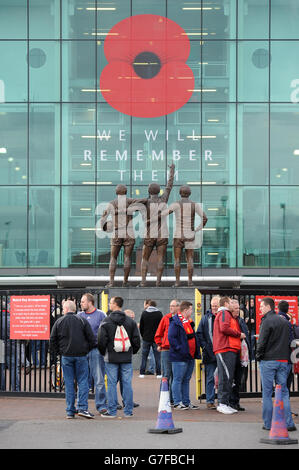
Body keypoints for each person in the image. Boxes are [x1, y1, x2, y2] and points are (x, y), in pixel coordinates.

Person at [50, 300, 95, 419]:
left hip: (66, 356)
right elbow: (91, 339)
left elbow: (52, 339)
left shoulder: (59, 321)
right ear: (74, 309)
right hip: (81, 355)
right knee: (83, 382)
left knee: (69, 383)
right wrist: (86, 350)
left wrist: (60, 352)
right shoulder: (82, 320)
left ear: (65, 309)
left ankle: (70, 411)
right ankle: (82, 408)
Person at [256, 297, 296, 431]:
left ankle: (268, 424)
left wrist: (258, 356)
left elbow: (261, 342)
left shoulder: (266, 321)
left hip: (268, 360)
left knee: (267, 393)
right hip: (283, 361)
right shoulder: (285, 322)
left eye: (262, 306)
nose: (260, 308)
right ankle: (289, 423)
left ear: (268, 307)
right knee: (284, 392)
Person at [98, 296, 140, 418]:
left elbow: (101, 340)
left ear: (115, 304)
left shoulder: (106, 321)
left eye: (110, 303)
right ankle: (128, 411)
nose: (109, 305)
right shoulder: (130, 321)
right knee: (127, 383)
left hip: (111, 357)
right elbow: (136, 340)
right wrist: (132, 352)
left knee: (111, 384)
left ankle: (112, 411)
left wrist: (103, 352)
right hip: (126, 357)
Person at [100, 185, 147, 287]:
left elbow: (102, 219)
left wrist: (105, 228)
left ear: (116, 192)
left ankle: (111, 282)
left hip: (116, 232)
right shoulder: (130, 201)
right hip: (128, 232)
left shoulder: (112, 203)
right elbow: (143, 201)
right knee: (127, 257)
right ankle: (125, 282)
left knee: (113, 257)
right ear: (125, 192)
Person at [136, 163, 175, 287]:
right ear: (159, 191)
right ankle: (158, 282)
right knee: (160, 259)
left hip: (149, 234)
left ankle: (143, 281)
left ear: (149, 191)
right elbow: (169, 186)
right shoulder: (163, 199)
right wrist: (172, 171)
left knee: (145, 258)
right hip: (162, 234)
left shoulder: (145, 202)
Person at [162, 185, 208, 287]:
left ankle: (177, 282)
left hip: (178, 235)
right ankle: (190, 281)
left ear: (180, 193)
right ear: (189, 193)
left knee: (177, 259)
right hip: (190, 234)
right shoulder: (194, 205)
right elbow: (205, 218)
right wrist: (197, 229)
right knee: (190, 259)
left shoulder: (176, 204)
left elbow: (164, 214)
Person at [213, 296, 246, 415]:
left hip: (228, 348)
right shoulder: (224, 313)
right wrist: (239, 334)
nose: (233, 304)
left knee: (228, 377)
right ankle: (222, 403)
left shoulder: (226, 314)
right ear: (226, 303)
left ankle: (225, 403)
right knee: (225, 377)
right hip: (225, 348)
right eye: (231, 302)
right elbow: (224, 328)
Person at [168, 300, 201, 410]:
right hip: (180, 356)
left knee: (186, 379)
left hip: (189, 356)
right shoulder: (176, 322)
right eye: (191, 309)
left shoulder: (188, 321)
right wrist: (180, 349)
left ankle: (186, 402)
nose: (192, 312)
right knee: (178, 379)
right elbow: (171, 338)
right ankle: (177, 402)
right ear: (186, 310)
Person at [78, 293, 107, 414]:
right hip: (82, 351)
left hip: (96, 350)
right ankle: (81, 407)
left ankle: (101, 406)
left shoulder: (101, 314)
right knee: (82, 380)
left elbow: (105, 332)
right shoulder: (79, 315)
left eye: (83, 301)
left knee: (99, 378)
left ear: (90, 302)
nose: (81, 303)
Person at [196, 296, 220, 409]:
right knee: (210, 377)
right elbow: (199, 333)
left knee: (223, 378)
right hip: (209, 353)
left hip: (222, 352)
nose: (214, 307)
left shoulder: (223, 317)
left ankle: (222, 400)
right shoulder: (206, 318)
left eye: (216, 305)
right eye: (213, 305)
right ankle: (210, 401)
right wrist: (205, 346)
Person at [154, 299, 180, 404]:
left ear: (178, 307)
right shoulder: (166, 318)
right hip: (166, 350)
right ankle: (163, 398)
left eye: (173, 306)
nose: (171, 307)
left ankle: (173, 399)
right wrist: (160, 344)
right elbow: (158, 333)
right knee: (166, 374)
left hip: (177, 351)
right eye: (170, 306)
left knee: (175, 375)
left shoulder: (181, 319)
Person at [229, 299, 250, 411]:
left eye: (238, 308)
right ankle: (230, 402)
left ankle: (236, 402)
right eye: (235, 308)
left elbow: (245, 335)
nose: (237, 310)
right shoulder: (229, 320)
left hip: (241, 353)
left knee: (238, 379)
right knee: (231, 379)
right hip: (232, 352)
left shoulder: (240, 320)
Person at [139, 300, 163, 378]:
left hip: (146, 338)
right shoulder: (159, 314)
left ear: (149, 305)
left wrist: (143, 335)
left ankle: (142, 373)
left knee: (144, 356)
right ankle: (159, 373)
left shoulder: (144, 313)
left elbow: (141, 326)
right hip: (156, 338)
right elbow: (161, 326)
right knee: (157, 356)